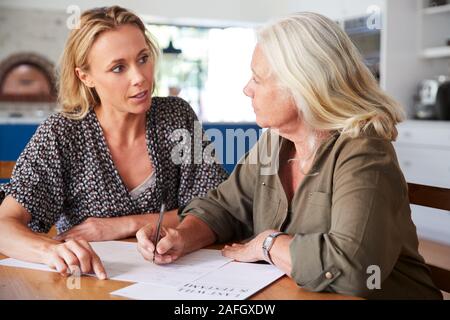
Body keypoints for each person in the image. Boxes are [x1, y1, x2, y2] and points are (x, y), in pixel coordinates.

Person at [136, 12, 443, 299]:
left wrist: (268, 244)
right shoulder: (276, 142)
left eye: (257, 78)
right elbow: (225, 207)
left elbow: (354, 268)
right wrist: (181, 236)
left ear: (301, 86)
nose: (247, 89)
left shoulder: (364, 151)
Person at [0, 6, 228, 280]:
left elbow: (216, 209)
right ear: (86, 77)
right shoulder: (62, 133)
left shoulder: (176, 116)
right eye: (118, 68)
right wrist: (49, 251)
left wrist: (122, 225)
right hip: (90, 285)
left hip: (176, 279)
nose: (139, 77)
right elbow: (4, 225)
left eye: (143, 58)